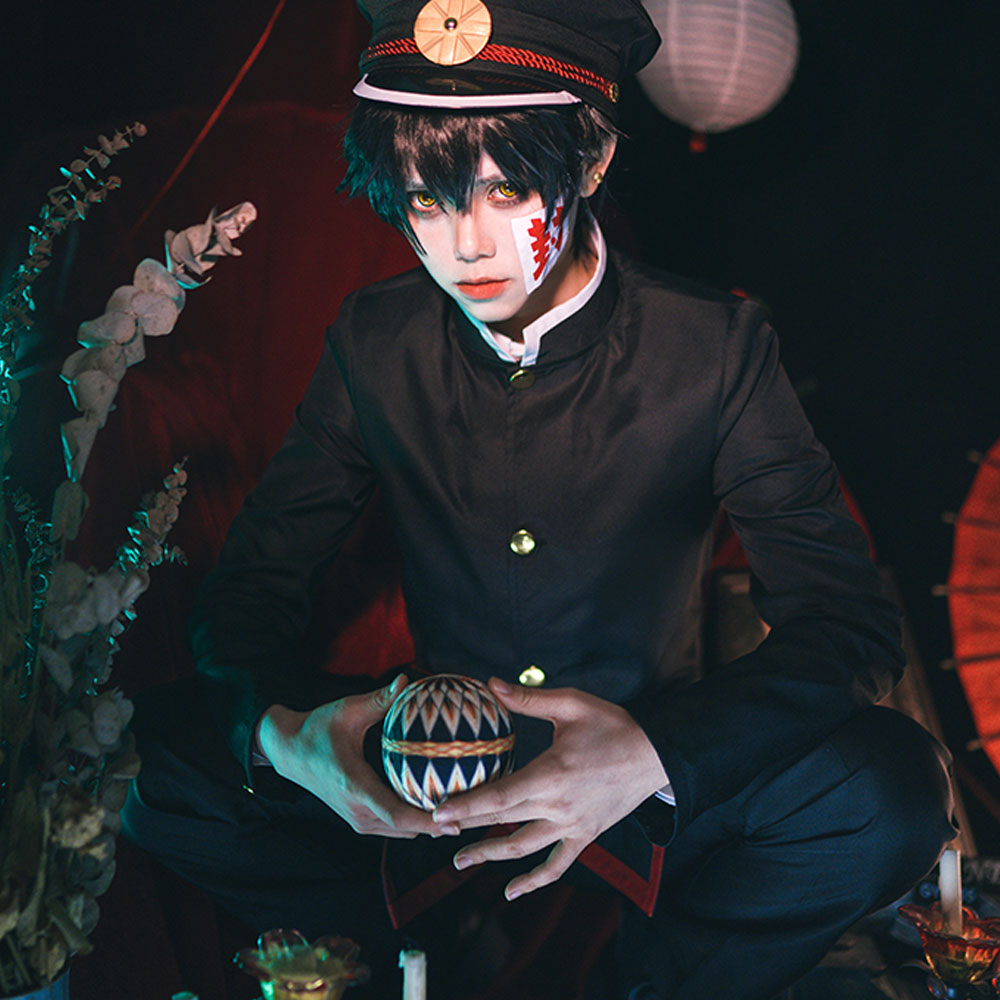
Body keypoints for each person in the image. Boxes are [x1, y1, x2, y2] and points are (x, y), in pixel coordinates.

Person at [123, 2, 956, 997]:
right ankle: (384, 968)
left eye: (506, 190)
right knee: (143, 761)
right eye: (425, 202)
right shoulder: (375, 339)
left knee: (891, 793)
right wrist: (287, 734)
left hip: (652, 790)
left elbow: (847, 623)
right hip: (424, 781)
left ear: (591, 158)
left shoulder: (713, 348)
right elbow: (249, 596)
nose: (465, 246)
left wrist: (651, 751)